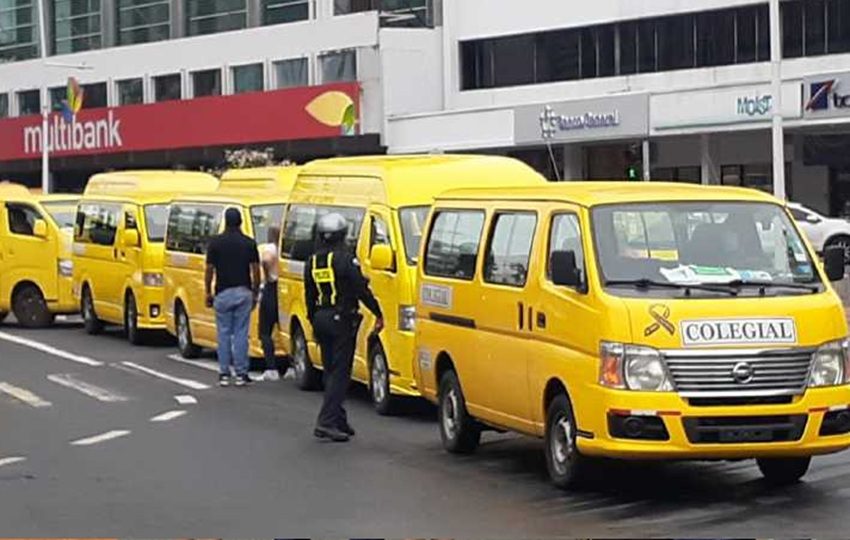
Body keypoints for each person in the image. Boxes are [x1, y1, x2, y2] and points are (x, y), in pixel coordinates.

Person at [304, 213, 384, 442]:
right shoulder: (345, 260)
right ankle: (326, 422)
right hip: (342, 320)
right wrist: (378, 312)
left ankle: (338, 418)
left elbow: (308, 295)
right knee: (340, 374)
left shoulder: (312, 262)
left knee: (330, 370)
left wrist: (313, 320)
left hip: (321, 318)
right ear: (342, 235)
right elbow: (360, 289)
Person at [205, 208, 260, 387]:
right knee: (241, 333)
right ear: (241, 222)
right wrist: (255, 291)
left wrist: (208, 291)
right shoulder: (249, 243)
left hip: (222, 292)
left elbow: (209, 269)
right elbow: (255, 269)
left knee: (223, 333)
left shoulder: (215, 243)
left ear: (225, 221)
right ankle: (241, 374)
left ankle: (224, 373)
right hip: (243, 291)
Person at [257, 225, 291, 381]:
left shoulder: (270, 248)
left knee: (265, 331)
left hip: (272, 287)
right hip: (285, 288)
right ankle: (292, 365)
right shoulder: (286, 249)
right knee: (286, 328)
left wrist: (266, 273)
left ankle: (271, 368)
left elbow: (265, 260)